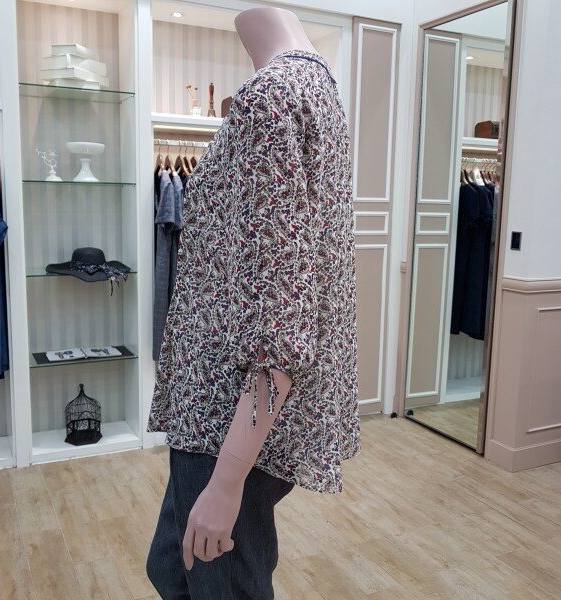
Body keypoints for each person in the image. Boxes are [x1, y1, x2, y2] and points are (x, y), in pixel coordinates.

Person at [146, 7, 360, 599]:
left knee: (222, 584)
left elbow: (284, 308)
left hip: (228, 413)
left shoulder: (271, 100)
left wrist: (227, 479)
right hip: (223, 405)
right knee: (171, 567)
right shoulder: (317, 89)